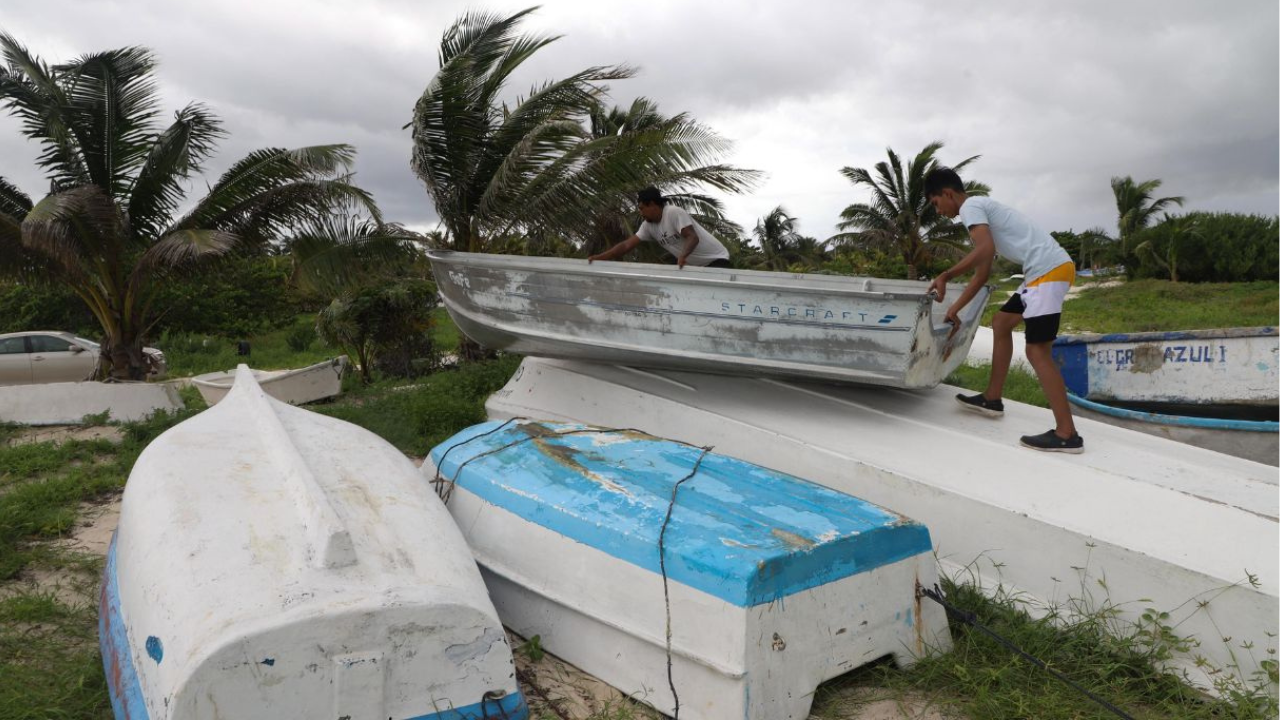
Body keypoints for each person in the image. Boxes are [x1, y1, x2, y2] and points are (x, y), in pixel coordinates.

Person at [924, 167, 1083, 454]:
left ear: (948, 193)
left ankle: (1067, 433)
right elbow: (982, 272)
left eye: (936, 203)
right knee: (1000, 323)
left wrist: (945, 275)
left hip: (1049, 272)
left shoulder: (971, 207)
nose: (938, 211)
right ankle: (992, 398)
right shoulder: (979, 211)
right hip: (1041, 273)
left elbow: (983, 251)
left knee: (1037, 351)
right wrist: (956, 309)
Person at [588, 187, 732, 268]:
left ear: (652, 204)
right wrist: (600, 257)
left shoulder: (673, 213)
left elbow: (692, 237)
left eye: (642, 208)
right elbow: (626, 245)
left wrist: (682, 256)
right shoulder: (648, 226)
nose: (640, 212)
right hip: (697, 268)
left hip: (717, 261)